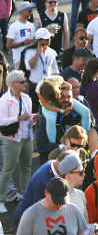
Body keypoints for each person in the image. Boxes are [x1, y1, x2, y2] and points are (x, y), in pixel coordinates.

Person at [14, 151, 83, 225]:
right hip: (26, 222)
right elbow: (41, 213)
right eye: (79, 173)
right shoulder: (43, 181)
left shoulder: (54, 164)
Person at [0, 69, 35, 214]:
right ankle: (1, 200)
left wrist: (33, 119)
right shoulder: (4, 100)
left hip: (26, 137)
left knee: (26, 167)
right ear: (13, 84)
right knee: (8, 169)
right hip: (11, 139)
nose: (25, 83)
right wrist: (18, 118)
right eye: (22, 82)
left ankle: (23, 195)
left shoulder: (27, 98)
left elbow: (28, 118)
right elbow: (1, 121)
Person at [16, 177, 89, 235]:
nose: (59, 205)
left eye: (63, 201)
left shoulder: (74, 210)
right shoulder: (30, 215)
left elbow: (82, 233)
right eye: (56, 201)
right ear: (46, 193)